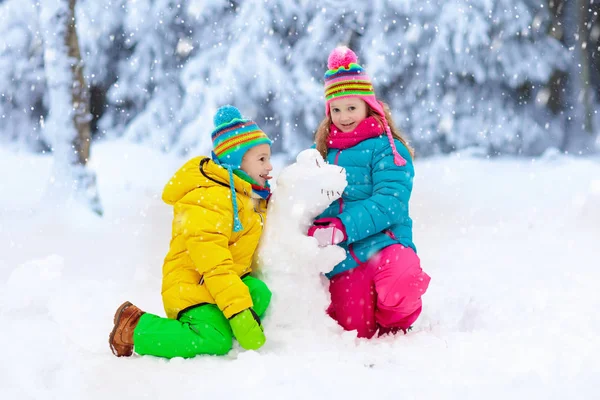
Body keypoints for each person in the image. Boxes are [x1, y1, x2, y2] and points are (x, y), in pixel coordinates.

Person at [109, 105, 274, 358]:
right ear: (235, 160)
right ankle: (134, 327)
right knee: (215, 340)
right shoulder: (209, 199)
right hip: (192, 286)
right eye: (261, 159)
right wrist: (239, 313)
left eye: (269, 158)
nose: (270, 166)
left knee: (260, 293)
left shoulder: (244, 195)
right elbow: (214, 265)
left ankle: (221, 320)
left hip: (219, 283)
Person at [307, 46, 431, 339]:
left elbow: (391, 203)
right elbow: (304, 196)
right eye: (336, 109)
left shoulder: (389, 149)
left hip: (384, 245)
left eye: (351, 108)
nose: (344, 116)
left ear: (368, 106)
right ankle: (368, 310)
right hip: (344, 258)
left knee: (402, 281)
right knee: (355, 331)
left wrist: (342, 226)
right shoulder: (321, 152)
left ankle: (396, 320)